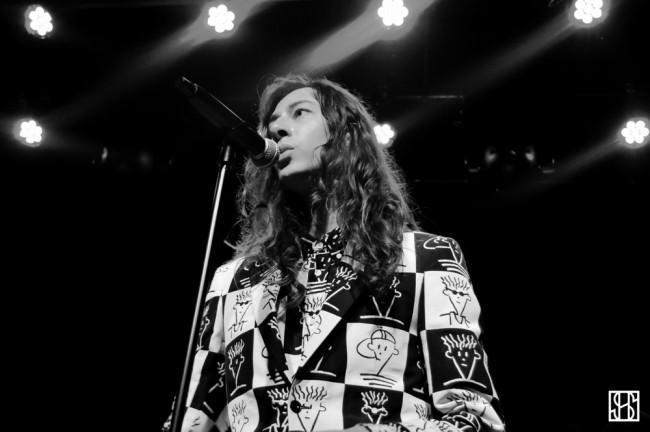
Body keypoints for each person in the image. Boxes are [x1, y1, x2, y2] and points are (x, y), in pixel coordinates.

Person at [163, 73, 506, 432]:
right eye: (272, 123)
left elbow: (475, 418)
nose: (277, 129)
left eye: (300, 112)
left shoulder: (425, 258)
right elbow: (190, 418)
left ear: (345, 135)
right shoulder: (232, 281)